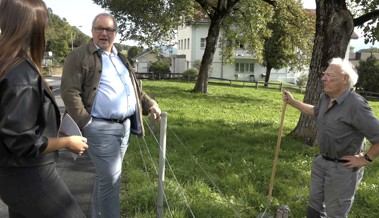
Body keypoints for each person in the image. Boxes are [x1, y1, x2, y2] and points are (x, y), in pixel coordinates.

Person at [61, 13, 162, 218]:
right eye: (99, 28)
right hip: (99, 128)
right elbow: (69, 92)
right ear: (92, 31)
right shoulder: (79, 56)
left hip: (124, 128)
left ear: (115, 34)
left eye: (108, 29)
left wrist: (149, 103)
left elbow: (132, 89)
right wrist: (86, 123)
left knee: (105, 179)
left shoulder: (120, 57)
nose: (103, 33)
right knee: (112, 181)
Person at [0, 0, 89, 217]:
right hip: (30, 176)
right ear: (34, 26)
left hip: (12, 176)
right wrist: (67, 142)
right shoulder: (21, 73)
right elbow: (23, 141)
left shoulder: (8, 65)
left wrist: (53, 132)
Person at [283, 57, 379, 217]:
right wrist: (293, 102)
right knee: (314, 207)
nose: (323, 78)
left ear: (345, 79)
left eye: (329, 75)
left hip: (342, 168)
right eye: (324, 74)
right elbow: (315, 111)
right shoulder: (325, 98)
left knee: (335, 212)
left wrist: (365, 159)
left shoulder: (356, 105)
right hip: (322, 162)